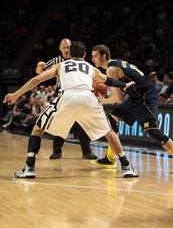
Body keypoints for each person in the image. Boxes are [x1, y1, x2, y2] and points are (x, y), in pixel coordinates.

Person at [3, 41, 138, 179]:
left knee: (37, 130)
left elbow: (37, 78)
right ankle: (126, 166)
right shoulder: (90, 67)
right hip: (88, 98)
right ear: (84, 55)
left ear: (70, 54)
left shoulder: (61, 65)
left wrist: (16, 94)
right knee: (109, 133)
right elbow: (108, 80)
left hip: (67, 97)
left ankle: (29, 168)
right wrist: (124, 84)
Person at [91, 44, 173, 167]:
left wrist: (102, 100)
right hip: (136, 98)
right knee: (111, 119)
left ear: (103, 56)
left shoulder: (111, 69)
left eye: (95, 56)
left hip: (146, 97)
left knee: (153, 132)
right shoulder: (117, 63)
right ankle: (110, 157)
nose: (92, 59)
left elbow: (117, 98)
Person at [36, 38, 97, 160]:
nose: (66, 50)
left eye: (68, 47)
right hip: (61, 94)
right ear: (60, 48)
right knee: (60, 123)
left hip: (79, 94)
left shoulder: (81, 60)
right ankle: (57, 152)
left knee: (82, 123)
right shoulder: (56, 61)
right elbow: (39, 73)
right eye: (64, 47)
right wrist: (39, 66)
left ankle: (87, 152)